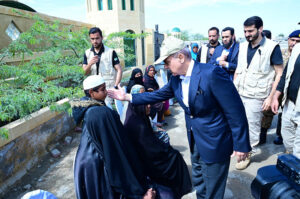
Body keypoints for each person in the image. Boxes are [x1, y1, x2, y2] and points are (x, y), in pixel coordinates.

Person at [108, 36, 251, 199]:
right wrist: (127, 97)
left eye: (168, 62)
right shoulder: (176, 80)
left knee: (214, 185)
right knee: (199, 179)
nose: (167, 67)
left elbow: (235, 110)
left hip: (215, 141)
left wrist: (242, 144)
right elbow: (156, 95)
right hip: (195, 138)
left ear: (181, 57)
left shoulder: (211, 74)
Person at [71, 75, 155, 199]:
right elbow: (115, 148)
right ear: (91, 92)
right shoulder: (101, 113)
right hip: (98, 163)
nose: (106, 92)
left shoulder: (88, 109)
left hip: (87, 161)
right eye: (103, 89)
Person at [124, 84, 192, 198]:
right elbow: (149, 150)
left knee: (172, 153)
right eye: (146, 104)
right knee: (175, 157)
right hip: (148, 162)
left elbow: (151, 141)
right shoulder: (136, 125)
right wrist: (165, 150)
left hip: (152, 154)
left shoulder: (140, 116)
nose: (150, 106)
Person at [233, 16, 283, 170]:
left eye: (250, 31)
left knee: (253, 126)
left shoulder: (272, 47)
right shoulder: (242, 46)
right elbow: (238, 69)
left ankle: (247, 152)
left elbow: (279, 73)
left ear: (260, 29)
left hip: (257, 95)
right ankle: (239, 146)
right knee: (238, 122)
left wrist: (271, 97)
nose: (247, 34)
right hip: (240, 91)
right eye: (245, 31)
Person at [271, 38, 300, 158]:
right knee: (287, 138)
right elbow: (285, 75)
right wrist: (275, 97)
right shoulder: (297, 49)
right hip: (289, 103)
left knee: (298, 149)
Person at [82, 27, 122, 106]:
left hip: (106, 89)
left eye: (97, 38)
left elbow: (119, 70)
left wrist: (116, 86)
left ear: (102, 38)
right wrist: (90, 64)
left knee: (107, 109)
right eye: (92, 39)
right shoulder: (87, 53)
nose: (95, 41)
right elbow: (84, 72)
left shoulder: (110, 52)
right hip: (93, 91)